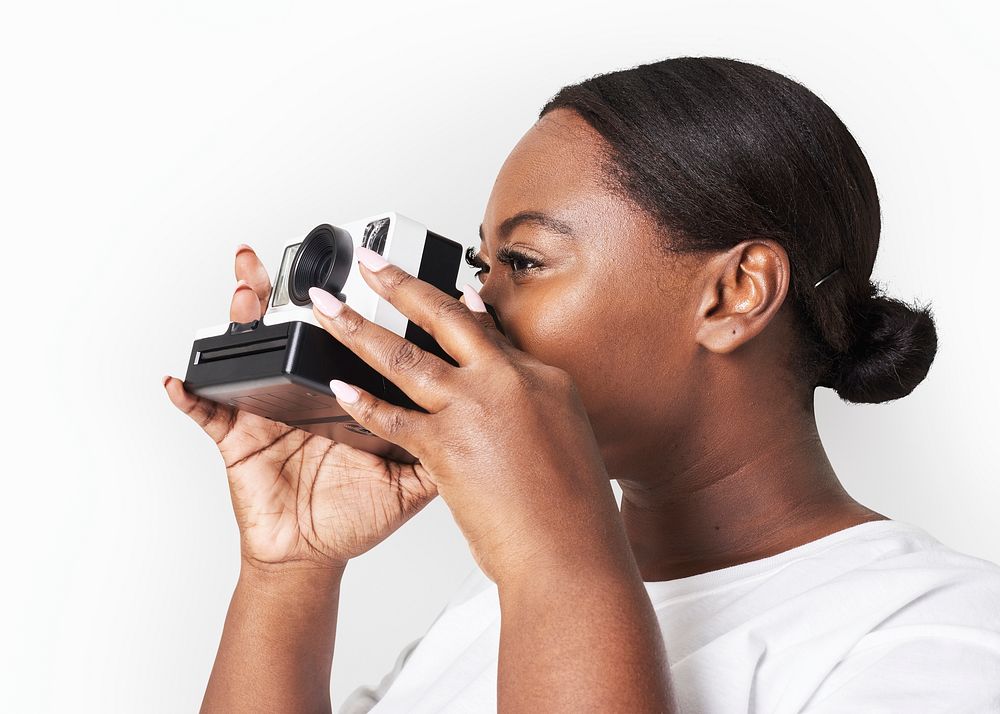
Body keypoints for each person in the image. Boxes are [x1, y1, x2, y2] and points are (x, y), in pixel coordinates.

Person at [163, 56, 1000, 713]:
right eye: (485, 265)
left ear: (734, 293)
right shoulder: (496, 609)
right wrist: (290, 572)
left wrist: (554, 564)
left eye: (523, 263)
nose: (473, 306)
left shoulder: (936, 634)